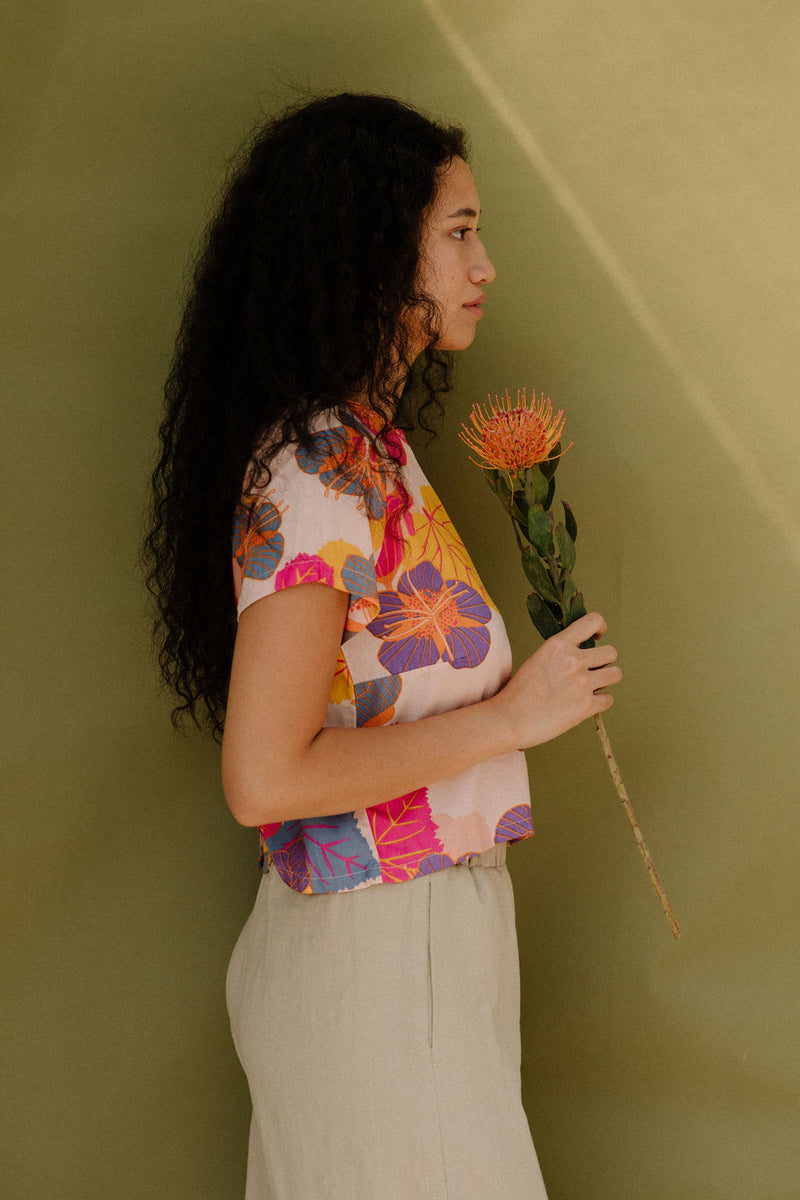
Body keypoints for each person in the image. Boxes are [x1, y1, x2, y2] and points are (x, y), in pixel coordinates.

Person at [145, 92, 621, 1200]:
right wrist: (512, 716)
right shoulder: (317, 470)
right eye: (456, 232)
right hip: (377, 956)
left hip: (417, 948)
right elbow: (265, 777)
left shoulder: (371, 454)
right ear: (367, 244)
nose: (484, 263)